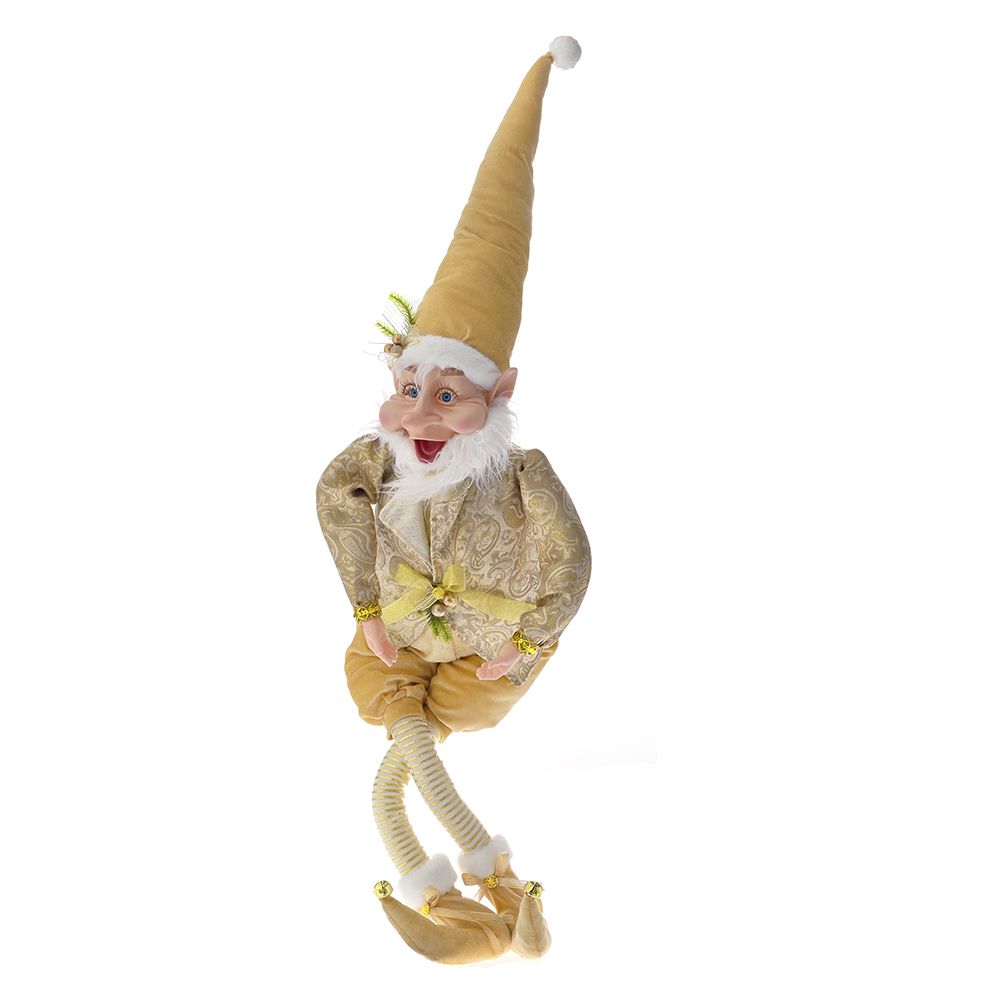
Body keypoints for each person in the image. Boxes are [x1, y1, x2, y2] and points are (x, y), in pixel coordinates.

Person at [316, 37, 590, 965]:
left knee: (408, 768)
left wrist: (531, 638)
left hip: (484, 650)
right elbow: (335, 496)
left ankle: (479, 897)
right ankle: (485, 891)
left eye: (447, 394)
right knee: (401, 761)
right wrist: (365, 605)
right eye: (409, 389)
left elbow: (572, 561)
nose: (420, 415)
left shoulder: (521, 474)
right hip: (395, 642)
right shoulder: (379, 459)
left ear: (499, 393)